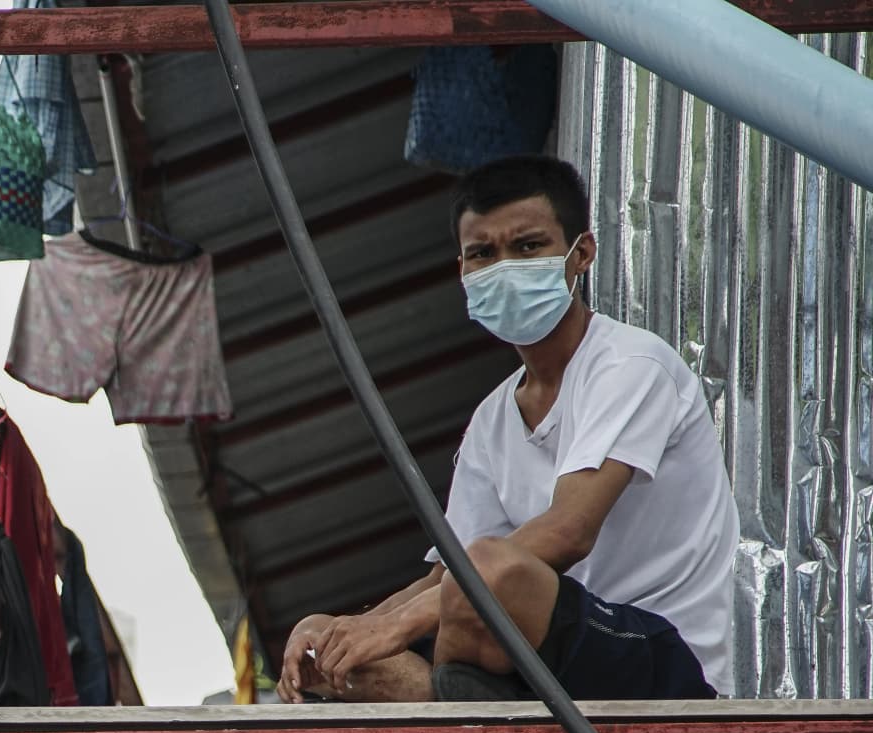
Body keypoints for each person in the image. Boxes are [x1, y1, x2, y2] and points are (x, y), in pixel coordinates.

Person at [277, 155, 735, 705]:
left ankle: (469, 701)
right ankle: (474, 706)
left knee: (490, 569)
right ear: (463, 273)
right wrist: (340, 632)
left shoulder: (632, 365)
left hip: (655, 656)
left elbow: (566, 532)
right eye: (483, 254)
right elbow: (444, 579)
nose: (505, 267)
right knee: (352, 665)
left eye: (527, 247)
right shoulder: (492, 419)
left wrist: (396, 628)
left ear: (580, 254)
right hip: (547, 664)